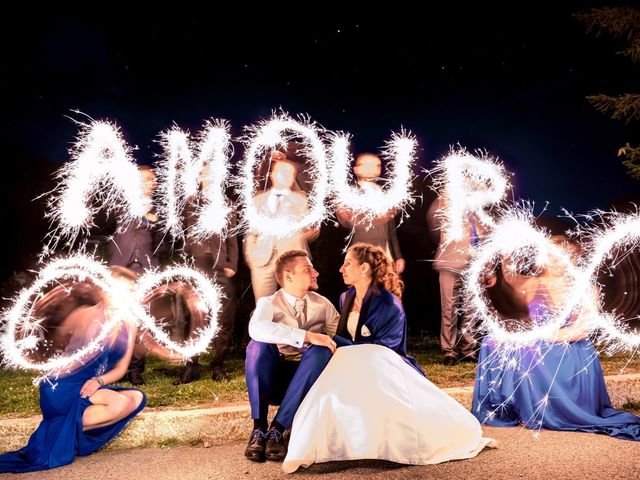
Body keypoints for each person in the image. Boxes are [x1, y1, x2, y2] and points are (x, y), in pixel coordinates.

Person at [282, 244, 495, 473]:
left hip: (385, 365)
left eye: (348, 263)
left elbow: (386, 349)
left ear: (364, 268)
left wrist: (339, 344)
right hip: (353, 362)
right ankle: (309, 437)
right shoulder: (346, 297)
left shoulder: (388, 304)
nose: (341, 269)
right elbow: (344, 336)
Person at [472, 238, 640, 441]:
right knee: (491, 341)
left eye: (567, 255)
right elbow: (506, 287)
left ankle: (539, 410)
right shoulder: (532, 282)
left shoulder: (585, 288)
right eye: (552, 254)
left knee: (529, 346)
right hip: (541, 340)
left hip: (570, 348)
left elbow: (583, 329)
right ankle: (512, 407)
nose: (558, 260)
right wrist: (501, 257)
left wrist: (543, 337)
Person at [0, 267, 147, 473]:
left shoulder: (130, 324)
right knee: (120, 402)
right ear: (105, 290)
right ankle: (64, 433)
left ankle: (67, 434)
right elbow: (58, 343)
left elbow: (121, 368)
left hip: (90, 383)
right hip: (63, 385)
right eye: (118, 290)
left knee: (137, 399)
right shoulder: (86, 315)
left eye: (128, 291)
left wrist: (99, 381)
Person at [244, 250, 340, 463]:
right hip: (274, 379)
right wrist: (306, 336)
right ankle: (259, 429)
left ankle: (277, 429)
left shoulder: (322, 303)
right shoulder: (268, 303)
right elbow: (256, 328)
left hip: (309, 382)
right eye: (307, 269)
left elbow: (340, 338)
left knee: (323, 348)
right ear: (288, 276)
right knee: (257, 345)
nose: (315, 272)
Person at [107, 165, 165, 385]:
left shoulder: (158, 208)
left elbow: (162, 239)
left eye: (152, 179)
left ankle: (135, 369)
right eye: (146, 178)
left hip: (146, 269)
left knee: (142, 320)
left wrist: (152, 256)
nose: (151, 182)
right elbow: (104, 224)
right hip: (121, 267)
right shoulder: (119, 202)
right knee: (118, 319)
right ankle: (114, 367)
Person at [244, 153, 319, 301]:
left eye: (288, 173)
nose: (283, 176)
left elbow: (312, 229)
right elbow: (250, 232)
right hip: (262, 261)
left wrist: (305, 235)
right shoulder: (258, 200)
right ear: (272, 175)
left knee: (295, 304)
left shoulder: (300, 200)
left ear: (293, 178)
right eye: (280, 172)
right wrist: (251, 255)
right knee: (263, 306)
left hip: (293, 261)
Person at [426, 196, 480, 365]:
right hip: (449, 265)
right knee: (449, 309)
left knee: (471, 310)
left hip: (472, 267)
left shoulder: (474, 212)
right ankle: (449, 351)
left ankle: (468, 350)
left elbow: (483, 234)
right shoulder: (442, 208)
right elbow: (434, 227)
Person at [335, 153, 405, 273]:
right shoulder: (349, 195)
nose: (373, 168)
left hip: (386, 255)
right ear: (356, 169)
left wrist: (397, 256)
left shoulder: (386, 194)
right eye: (368, 164)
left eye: (377, 165)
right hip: (360, 255)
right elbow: (351, 222)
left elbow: (391, 231)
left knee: (387, 289)